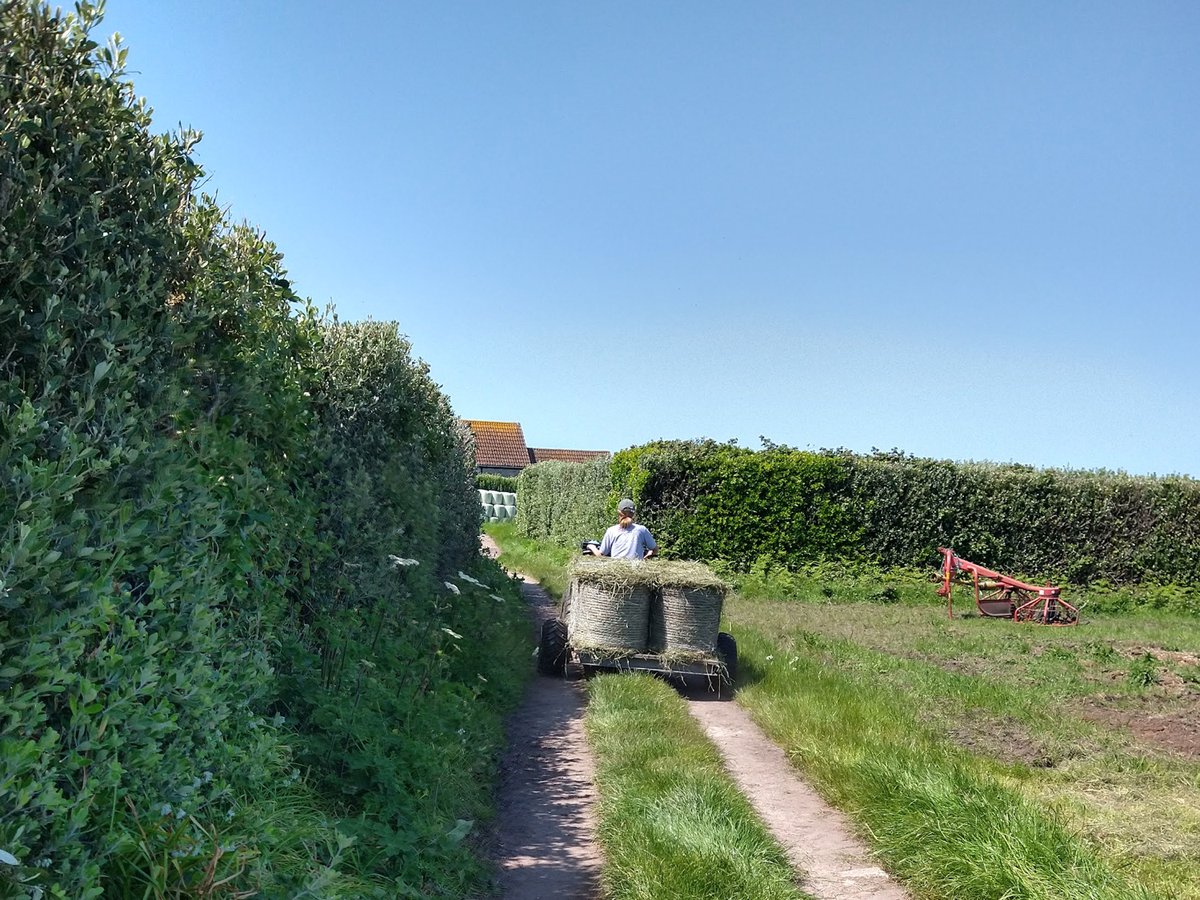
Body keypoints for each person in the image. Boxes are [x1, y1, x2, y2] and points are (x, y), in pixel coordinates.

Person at [588, 498, 657, 560]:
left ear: (619, 513)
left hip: (617, 569)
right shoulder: (642, 530)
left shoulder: (611, 531)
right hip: (636, 569)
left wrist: (591, 547)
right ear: (633, 514)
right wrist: (648, 555)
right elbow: (655, 549)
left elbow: (601, 555)